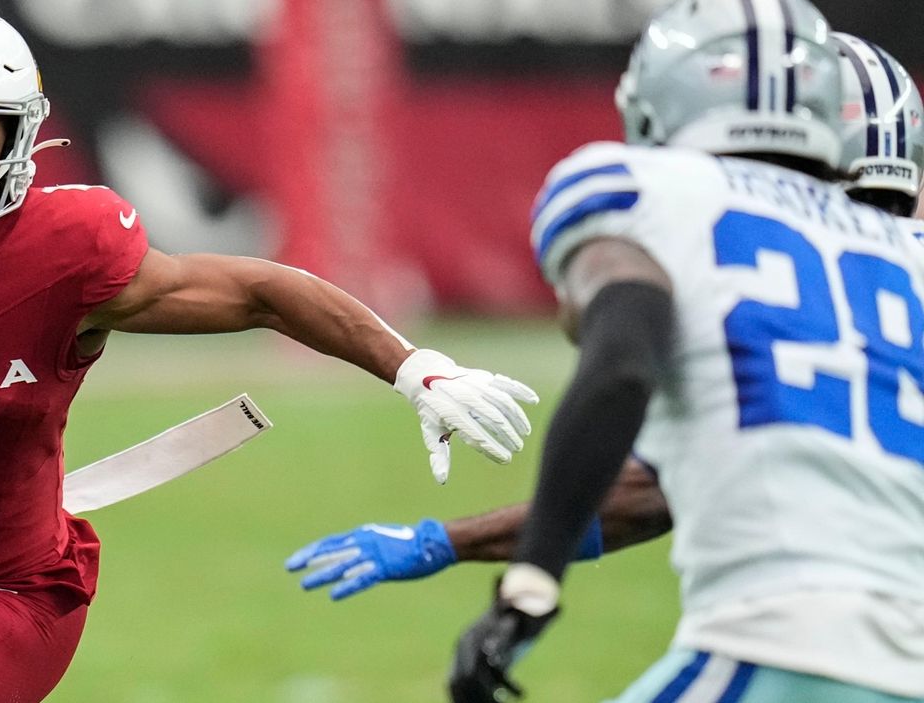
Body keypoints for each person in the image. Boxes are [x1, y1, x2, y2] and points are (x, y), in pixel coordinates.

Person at [0, 0, 539, 703]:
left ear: (19, 142)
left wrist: (412, 364)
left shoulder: (66, 249)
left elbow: (262, 290)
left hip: (11, 594)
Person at [285, 30, 924, 609]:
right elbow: (651, 495)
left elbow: (643, 461)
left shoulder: (748, 265)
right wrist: (450, 542)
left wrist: (460, 550)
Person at [447, 0, 924, 697]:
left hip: (785, 636)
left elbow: (621, 366)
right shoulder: (907, 253)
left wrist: (530, 583)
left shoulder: (645, 189)